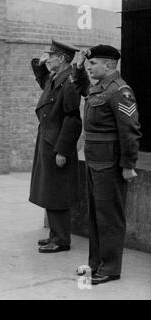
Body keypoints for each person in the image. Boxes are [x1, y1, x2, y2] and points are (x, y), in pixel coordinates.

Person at [73, 45, 142, 285]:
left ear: (109, 65)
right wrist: (78, 67)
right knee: (95, 215)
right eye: (88, 64)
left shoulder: (119, 91)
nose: (89, 67)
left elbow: (130, 131)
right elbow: (80, 85)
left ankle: (110, 268)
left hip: (111, 165)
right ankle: (96, 263)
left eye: (93, 64)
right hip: (95, 162)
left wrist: (128, 164)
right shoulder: (97, 88)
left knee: (109, 216)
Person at [29, 40, 82, 253]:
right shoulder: (56, 77)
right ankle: (55, 234)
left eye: (51, 55)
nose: (47, 58)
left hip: (56, 144)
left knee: (57, 192)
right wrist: (40, 64)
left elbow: (73, 119)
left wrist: (62, 149)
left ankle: (61, 239)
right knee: (50, 190)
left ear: (62, 59)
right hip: (48, 139)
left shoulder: (69, 82)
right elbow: (43, 82)